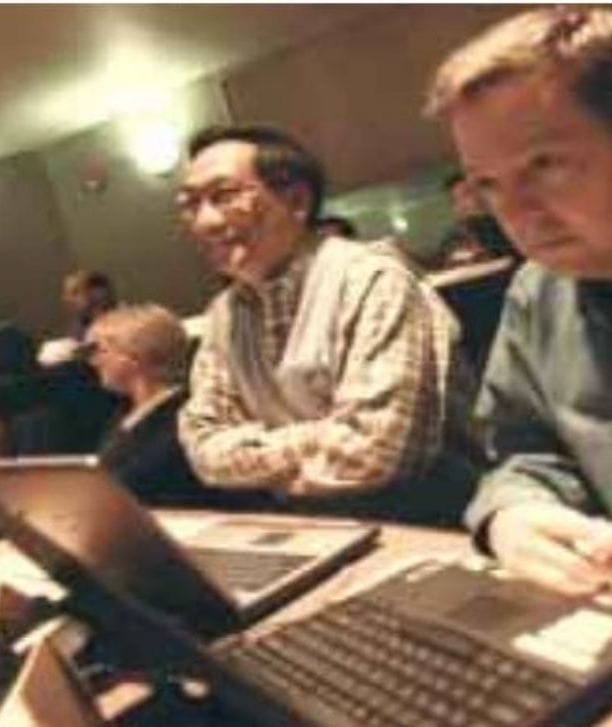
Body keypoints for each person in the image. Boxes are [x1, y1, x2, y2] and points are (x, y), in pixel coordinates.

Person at [428, 6, 612, 612]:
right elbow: (523, 450)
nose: (518, 214)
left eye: (545, 165)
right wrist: (513, 514)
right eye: (489, 185)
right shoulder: (536, 295)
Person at [175, 125, 476, 524]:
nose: (204, 222)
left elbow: (376, 451)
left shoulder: (372, 279)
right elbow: (202, 449)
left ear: (297, 201)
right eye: (190, 204)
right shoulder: (223, 314)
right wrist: (322, 439)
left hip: (432, 521)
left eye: (225, 196)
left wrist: (257, 465)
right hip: (320, 527)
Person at [85, 304, 202, 503]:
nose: (93, 362)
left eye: (101, 351)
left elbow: (128, 486)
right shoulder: (124, 415)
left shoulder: (184, 417)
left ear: (134, 355)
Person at [38, 270, 117, 367]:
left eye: (106, 306)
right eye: (91, 304)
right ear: (69, 303)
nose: (98, 312)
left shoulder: (119, 351)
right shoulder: (52, 351)